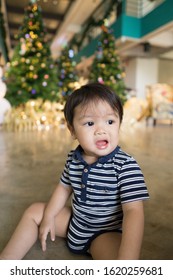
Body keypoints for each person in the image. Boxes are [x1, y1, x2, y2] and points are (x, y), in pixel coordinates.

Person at [0, 82, 149, 260]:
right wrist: (48, 217)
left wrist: (128, 259)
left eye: (110, 121)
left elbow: (134, 211)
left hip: (105, 233)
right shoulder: (74, 158)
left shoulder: (125, 165)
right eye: (89, 123)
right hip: (74, 224)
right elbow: (64, 188)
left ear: (119, 123)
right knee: (34, 211)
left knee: (119, 260)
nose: (101, 130)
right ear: (72, 130)